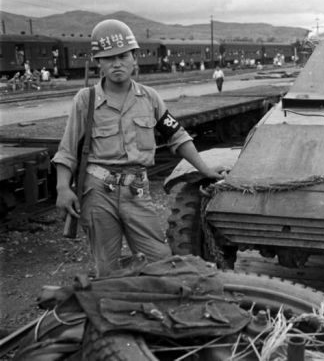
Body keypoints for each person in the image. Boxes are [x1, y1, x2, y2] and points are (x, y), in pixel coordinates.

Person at [52, 19, 221, 277]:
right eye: (108, 58)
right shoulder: (85, 100)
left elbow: (177, 135)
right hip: (98, 192)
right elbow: (67, 150)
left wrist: (205, 170)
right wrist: (63, 188)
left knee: (160, 261)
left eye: (122, 56)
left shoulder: (150, 98)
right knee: (106, 268)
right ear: (98, 62)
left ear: (134, 58)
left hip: (136, 190)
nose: (116, 63)